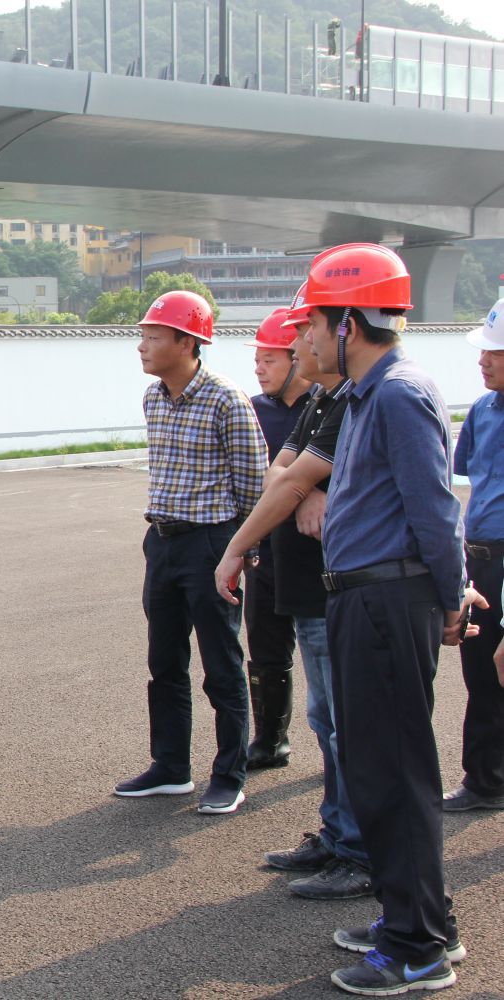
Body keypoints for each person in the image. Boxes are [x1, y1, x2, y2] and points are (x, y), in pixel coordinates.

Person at [293, 244, 466, 995]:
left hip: (387, 602)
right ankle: (418, 918)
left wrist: (452, 595)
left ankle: (416, 949)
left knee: (393, 774)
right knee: (381, 770)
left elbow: (435, 507)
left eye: (315, 321)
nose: (306, 335)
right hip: (368, 598)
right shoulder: (367, 394)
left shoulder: (397, 394)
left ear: (349, 322)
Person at [212, 295, 373, 901]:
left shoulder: (365, 398)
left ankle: (358, 849)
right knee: (326, 718)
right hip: (307, 585)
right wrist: (302, 487)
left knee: (346, 723)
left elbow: (291, 478)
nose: (301, 341)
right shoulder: (324, 403)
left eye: (305, 331)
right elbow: (278, 474)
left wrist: (296, 492)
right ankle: (339, 834)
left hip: (342, 585)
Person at [114, 289, 264, 816]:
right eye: (142, 336)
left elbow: (254, 486)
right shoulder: (153, 398)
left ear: (186, 342)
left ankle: (229, 775)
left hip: (211, 543)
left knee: (221, 663)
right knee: (165, 661)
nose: (142, 346)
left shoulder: (227, 400)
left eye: (153, 337)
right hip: (162, 542)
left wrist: (242, 551)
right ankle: (171, 767)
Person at [243, 309, 311, 770]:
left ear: (296, 357)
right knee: (266, 649)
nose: (259, 369)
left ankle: (339, 748)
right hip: (264, 552)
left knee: (325, 651)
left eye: (269, 360)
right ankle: (270, 739)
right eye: (257, 360)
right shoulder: (252, 410)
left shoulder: (325, 407)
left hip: (314, 552)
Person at [447, 296, 504, 813]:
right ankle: (485, 779)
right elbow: (468, 477)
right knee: (480, 669)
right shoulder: (484, 410)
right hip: (480, 557)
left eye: (495, 352)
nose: (483, 360)